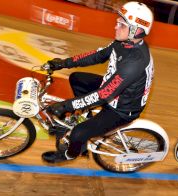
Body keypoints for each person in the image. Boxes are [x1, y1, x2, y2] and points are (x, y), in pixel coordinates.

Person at [42, 1, 155, 163]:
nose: (116, 27)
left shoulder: (134, 63)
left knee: (78, 133)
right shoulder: (124, 42)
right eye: (117, 22)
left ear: (136, 31)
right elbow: (97, 56)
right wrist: (64, 63)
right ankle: (87, 115)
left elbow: (104, 94)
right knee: (77, 78)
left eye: (121, 25)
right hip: (116, 89)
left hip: (122, 109)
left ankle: (69, 154)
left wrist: (66, 106)